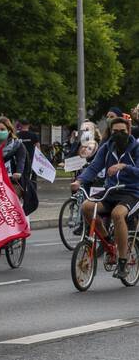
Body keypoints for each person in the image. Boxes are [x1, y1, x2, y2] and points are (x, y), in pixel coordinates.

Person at [72, 115, 139, 280]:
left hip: (132, 192)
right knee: (87, 207)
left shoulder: (136, 148)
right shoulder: (107, 147)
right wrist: (79, 181)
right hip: (111, 191)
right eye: (115, 131)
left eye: (122, 131)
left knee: (117, 214)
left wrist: (124, 167)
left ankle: (122, 261)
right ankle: (108, 241)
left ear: (128, 131)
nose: (119, 134)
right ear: (110, 132)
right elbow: (94, 167)